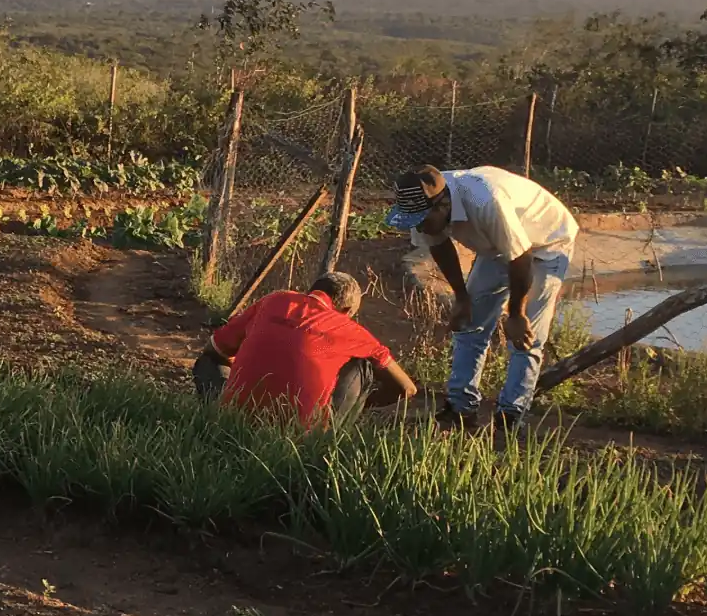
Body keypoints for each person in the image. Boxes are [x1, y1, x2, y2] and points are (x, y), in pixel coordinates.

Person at [385, 164, 578, 430]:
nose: (418, 227)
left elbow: (521, 258)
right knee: (470, 324)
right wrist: (461, 297)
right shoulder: (423, 207)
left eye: (422, 221)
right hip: (499, 245)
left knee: (525, 335)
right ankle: (461, 409)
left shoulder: (486, 200)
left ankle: (511, 416)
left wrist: (516, 313)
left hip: (547, 242)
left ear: (442, 206)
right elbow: (439, 245)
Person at [192, 271, 419, 424]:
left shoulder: (275, 300)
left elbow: (214, 351)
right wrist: (362, 405)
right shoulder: (352, 330)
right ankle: (333, 428)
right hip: (303, 432)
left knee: (206, 363)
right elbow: (407, 388)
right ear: (348, 310)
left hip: (235, 420)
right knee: (363, 365)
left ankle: (223, 412)